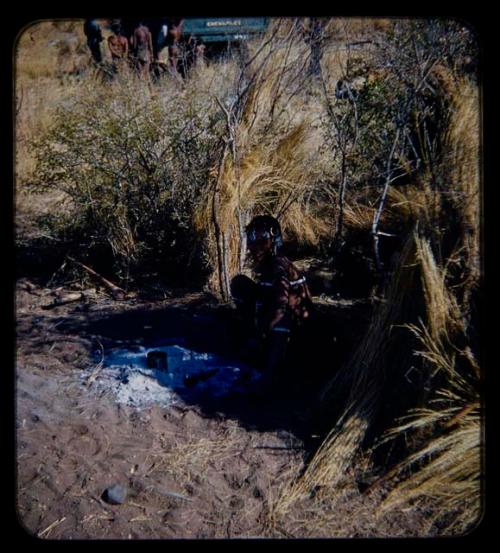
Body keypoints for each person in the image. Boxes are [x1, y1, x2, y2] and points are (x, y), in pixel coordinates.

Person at [230, 215, 314, 394]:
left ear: (274, 240)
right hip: (278, 321)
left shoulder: (278, 265)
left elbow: (281, 310)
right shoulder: (269, 265)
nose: (255, 245)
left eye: (261, 238)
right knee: (240, 283)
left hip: (295, 331)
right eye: (252, 239)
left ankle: (271, 371)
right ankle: (255, 344)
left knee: (279, 316)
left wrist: (260, 335)